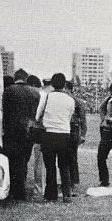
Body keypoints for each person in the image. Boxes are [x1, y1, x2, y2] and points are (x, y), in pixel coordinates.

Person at [36, 73, 75, 203]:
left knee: (50, 167)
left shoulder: (46, 97)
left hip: (48, 134)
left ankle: (51, 195)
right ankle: (66, 194)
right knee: (64, 166)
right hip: (64, 134)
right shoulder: (70, 100)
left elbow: (37, 116)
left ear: (52, 84)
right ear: (64, 84)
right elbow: (69, 118)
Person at [2, 68, 40, 200]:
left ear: (15, 77)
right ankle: (21, 186)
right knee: (24, 160)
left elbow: (4, 112)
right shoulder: (35, 92)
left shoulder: (8, 90)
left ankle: (16, 190)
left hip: (12, 130)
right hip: (29, 131)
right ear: (25, 78)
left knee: (13, 161)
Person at [65, 80, 87, 195]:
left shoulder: (76, 101)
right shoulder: (64, 100)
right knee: (66, 157)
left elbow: (83, 119)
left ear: (68, 89)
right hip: (65, 129)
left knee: (72, 157)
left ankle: (73, 182)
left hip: (73, 130)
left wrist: (83, 134)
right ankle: (67, 181)